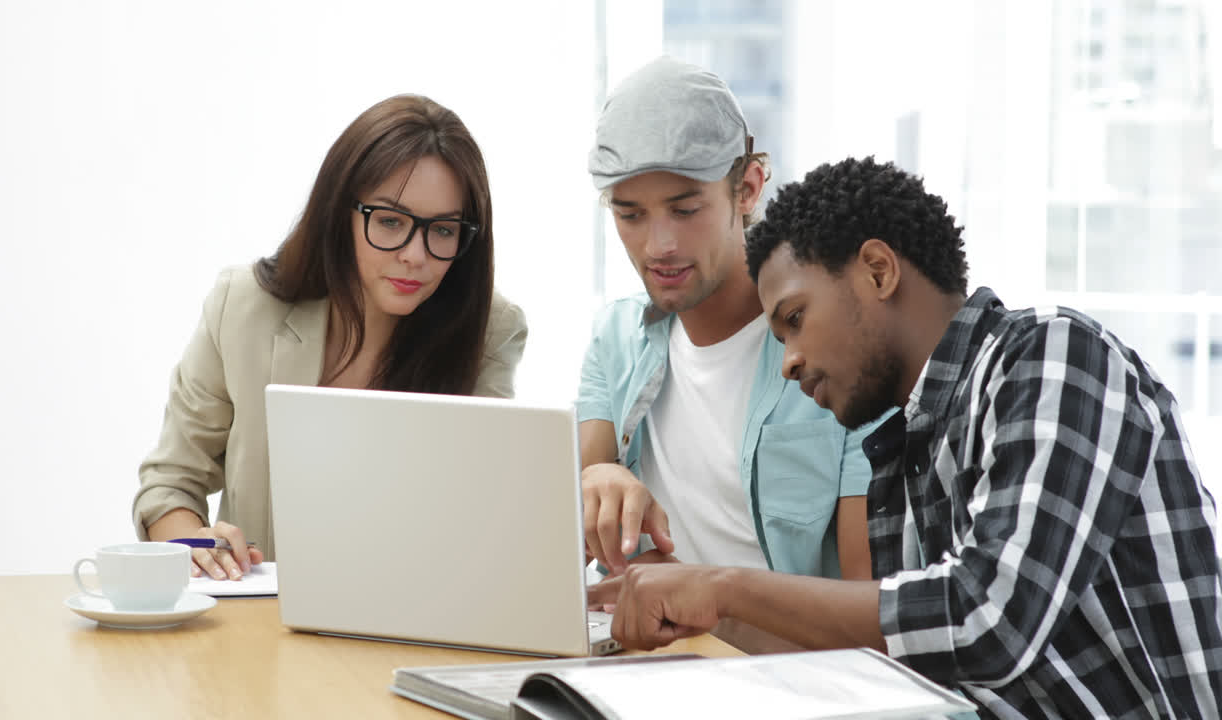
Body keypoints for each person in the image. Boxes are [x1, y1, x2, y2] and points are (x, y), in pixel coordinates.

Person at [589, 156, 1222, 717]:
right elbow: (896, 672)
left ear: (877, 270)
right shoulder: (906, 447)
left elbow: (986, 621)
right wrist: (695, 610)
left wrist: (722, 587)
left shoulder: (1054, 354)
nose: (788, 361)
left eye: (796, 320)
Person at [133, 95, 528, 581]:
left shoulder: (490, 330)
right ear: (341, 212)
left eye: (443, 230)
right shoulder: (242, 307)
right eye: (390, 221)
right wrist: (194, 545)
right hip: (261, 624)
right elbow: (171, 481)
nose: (415, 255)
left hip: (412, 613)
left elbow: (484, 512)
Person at [579, 57, 879, 650]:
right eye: (629, 214)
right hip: (651, 672)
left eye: (685, 209)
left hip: (792, 687)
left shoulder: (840, 357)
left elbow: (870, 633)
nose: (658, 245)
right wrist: (596, 477)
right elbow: (575, 530)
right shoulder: (615, 340)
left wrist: (708, 606)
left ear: (746, 189)